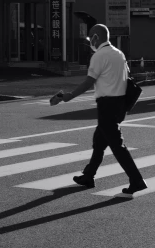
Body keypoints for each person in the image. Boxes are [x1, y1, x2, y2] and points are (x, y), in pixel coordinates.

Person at [50, 23, 147, 195]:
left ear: (96, 37)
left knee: (117, 146)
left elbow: (89, 82)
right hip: (120, 104)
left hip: (107, 105)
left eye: (90, 38)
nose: (89, 42)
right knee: (99, 142)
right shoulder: (119, 54)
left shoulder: (99, 56)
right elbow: (127, 77)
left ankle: (136, 180)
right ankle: (88, 175)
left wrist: (68, 96)